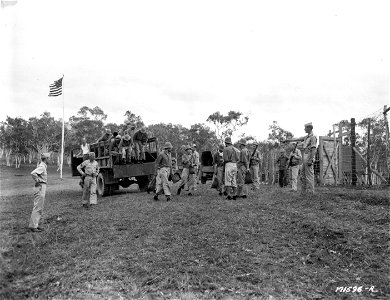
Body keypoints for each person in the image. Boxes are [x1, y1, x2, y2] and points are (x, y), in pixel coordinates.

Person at [29, 153, 50, 232]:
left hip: (41, 186)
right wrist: (37, 180)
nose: (50, 160)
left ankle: (35, 225)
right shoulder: (42, 166)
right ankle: (33, 226)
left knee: (39, 207)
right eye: (49, 158)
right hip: (40, 186)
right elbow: (33, 173)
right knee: (38, 207)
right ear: (46, 159)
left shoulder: (43, 166)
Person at [301, 122, 317, 195]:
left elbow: (314, 149)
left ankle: (311, 192)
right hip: (304, 157)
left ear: (309, 128)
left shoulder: (313, 137)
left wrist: (310, 159)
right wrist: (287, 140)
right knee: (303, 175)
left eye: (305, 128)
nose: (304, 129)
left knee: (309, 176)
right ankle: (304, 192)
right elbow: (298, 138)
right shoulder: (306, 137)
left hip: (309, 157)